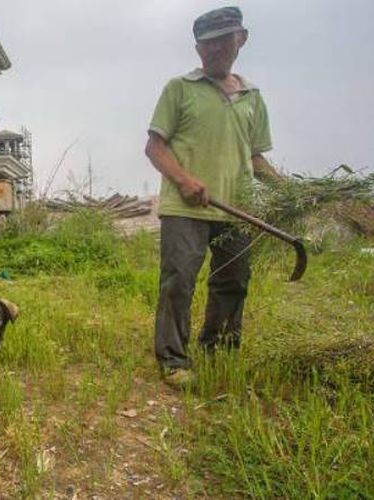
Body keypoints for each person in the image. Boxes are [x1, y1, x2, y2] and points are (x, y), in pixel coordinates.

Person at [145, 6, 280, 387]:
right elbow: (155, 147)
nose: (215, 51)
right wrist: (184, 179)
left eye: (223, 42)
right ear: (197, 48)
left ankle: (216, 349)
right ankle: (173, 360)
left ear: (241, 40)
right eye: (207, 45)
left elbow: (255, 158)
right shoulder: (180, 88)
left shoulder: (253, 97)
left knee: (233, 280)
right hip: (185, 208)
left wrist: (292, 194)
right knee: (179, 281)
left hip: (236, 209)